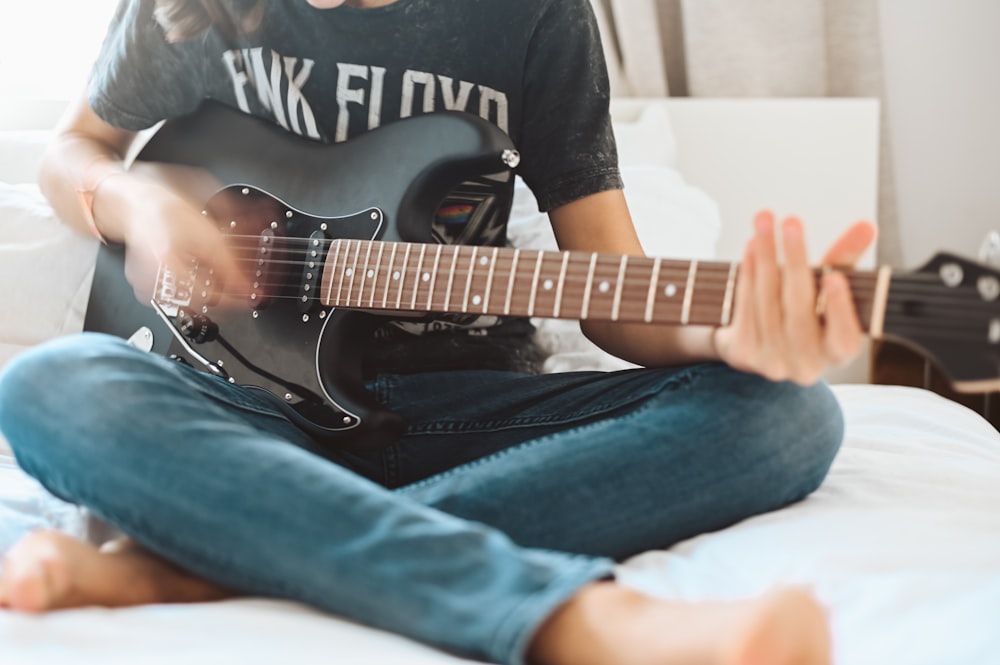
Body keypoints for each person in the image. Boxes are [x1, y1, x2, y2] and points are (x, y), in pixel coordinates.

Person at [0, 1, 875, 664]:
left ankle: (208, 563)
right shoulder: (194, 8)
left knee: (790, 412)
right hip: (243, 408)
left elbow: (615, 294)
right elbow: (72, 149)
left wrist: (731, 332)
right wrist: (139, 200)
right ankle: (570, 618)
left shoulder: (533, 16)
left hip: (466, 407)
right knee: (52, 386)